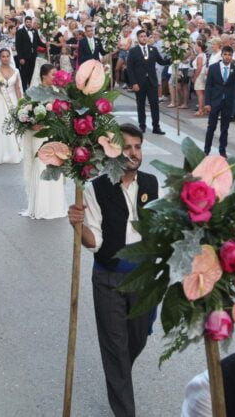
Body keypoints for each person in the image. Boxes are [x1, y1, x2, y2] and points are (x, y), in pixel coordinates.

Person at [67, 124, 158, 416]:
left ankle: (118, 374)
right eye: (127, 147)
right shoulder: (96, 188)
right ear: (113, 152)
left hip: (143, 278)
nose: (133, 153)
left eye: (137, 147)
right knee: (116, 350)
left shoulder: (151, 183)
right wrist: (78, 226)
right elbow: (94, 241)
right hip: (109, 278)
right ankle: (125, 410)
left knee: (137, 339)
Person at [20, 64, 67, 219]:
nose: (56, 77)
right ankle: (40, 206)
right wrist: (33, 123)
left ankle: (54, 205)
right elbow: (24, 114)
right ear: (43, 76)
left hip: (55, 135)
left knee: (55, 165)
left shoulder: (58, 93)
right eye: (53, 74)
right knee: (41, 165)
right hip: (39, 135)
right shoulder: (33, 93)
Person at [202, 46, 235, 156]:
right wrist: (207, 103)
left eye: (229, 55)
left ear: (232, 56)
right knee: (211, 127)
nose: (227, 57)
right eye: (225, 54)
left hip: (228, 102)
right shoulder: (213, 68)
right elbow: (209, 86)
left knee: (225, 128)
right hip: (215, 101)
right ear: (222, 55)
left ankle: (222, 150)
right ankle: (206, 149)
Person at [126, 30, 168, 134]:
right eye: (141, 36)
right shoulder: (133, 51)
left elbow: (161, 61)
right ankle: (142, 126)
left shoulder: (153, 49)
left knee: (154, 105)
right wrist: (133, 83)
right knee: (141, 105)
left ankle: (156, 126)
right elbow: (130, 68)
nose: (144, 38)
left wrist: (174, 59)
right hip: (139, 83)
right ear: (138, 38)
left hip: (152, 82)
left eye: (145, 36)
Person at [15, 16, 46, 91]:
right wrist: (21, 57)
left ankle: (31, 89)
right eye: (27, 22)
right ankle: (24, 89)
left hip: (33, 56)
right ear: (25, 22)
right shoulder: (20, 32)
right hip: (24, 57)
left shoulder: (34, 31)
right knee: (24, 73)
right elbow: (18, 45)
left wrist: (46, 45)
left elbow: (38, 42)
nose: (29, 23)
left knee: (32, 72)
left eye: (30, 22)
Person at [192, 41, 208, 116]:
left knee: (199, 93)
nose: (195, 47)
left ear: (199, 47)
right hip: (202, 74)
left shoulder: (200, 56)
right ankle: (203, 109)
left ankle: (200, 110)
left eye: (196, 45)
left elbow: (199, 67)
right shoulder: (202, 55)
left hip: (199, 75)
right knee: (202, 93)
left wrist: (195, 77)